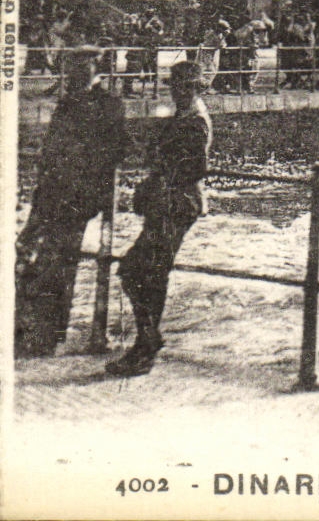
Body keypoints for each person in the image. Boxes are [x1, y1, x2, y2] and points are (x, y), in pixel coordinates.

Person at [15, 52, 135, 357]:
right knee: (35, 256)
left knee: (57, 262)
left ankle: (44, 336)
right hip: (51, 193)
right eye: (71, 73)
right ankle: (28, 330)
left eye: (81, 71)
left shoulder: (109, 106)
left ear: (96, 71)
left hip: (75, 198)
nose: (73, 77)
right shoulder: (70, 103)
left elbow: (117, 150)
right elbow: (51, 150)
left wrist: (86, 185)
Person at [105, 60, 212, 377]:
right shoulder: (184, 114)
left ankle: (147, 345)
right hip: (167, 203)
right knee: (141, 269)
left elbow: (197, 168)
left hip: (177, 204)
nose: (177, 91)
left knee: (145, 269)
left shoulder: (195, 119)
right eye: (175, 86)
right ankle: (147, 339)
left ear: (194, 87)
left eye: (183, 86)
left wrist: (161, 180)